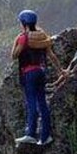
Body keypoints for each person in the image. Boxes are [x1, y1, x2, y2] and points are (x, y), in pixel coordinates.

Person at [11, 10, 62, 146]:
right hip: (41, 71)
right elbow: (51, 56)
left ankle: (31, 134)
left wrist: (16, 41)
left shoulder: (23, 38)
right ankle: (45, 136)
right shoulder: (41, 37)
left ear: (23, 23)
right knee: (42, 103)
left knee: (31, 102)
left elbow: (14, 55)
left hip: (29, 73)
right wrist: (61, 71)